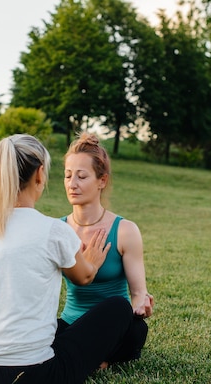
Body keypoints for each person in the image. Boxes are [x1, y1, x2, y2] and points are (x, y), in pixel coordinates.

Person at [0, 134, 135, 384]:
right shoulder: (53, 230)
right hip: (31, 377)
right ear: (40, 174)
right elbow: (83, 278)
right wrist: (91, 261)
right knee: (119, 307)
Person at [58, 132, 154, 366]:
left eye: (81, 176)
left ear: (102, 181)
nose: (72, 184)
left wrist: (141, 303)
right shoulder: (57, 230)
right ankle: (96, 359)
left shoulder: (125, 230)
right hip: (71, 323)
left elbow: (138, 292)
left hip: (113, 328)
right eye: (68, 176)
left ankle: (90, 357)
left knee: (137, 329)